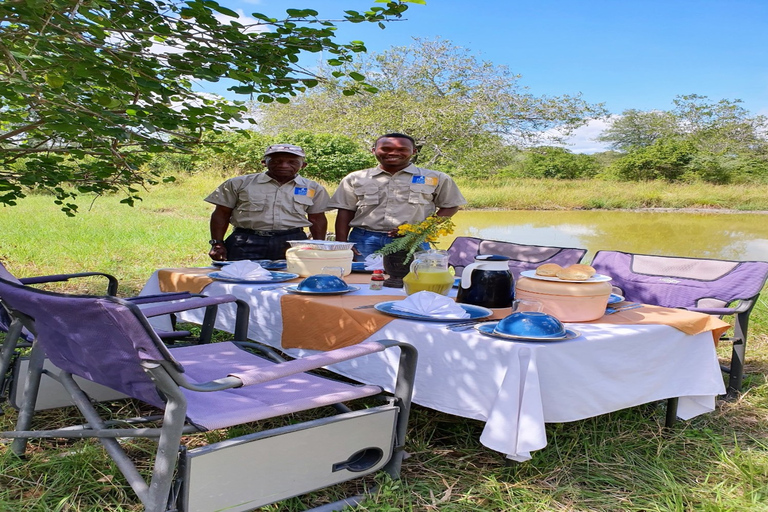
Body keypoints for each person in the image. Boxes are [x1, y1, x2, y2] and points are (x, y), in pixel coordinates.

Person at [329, 133, 466, 260]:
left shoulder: (436, 178)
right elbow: (345, 211)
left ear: (413, 152)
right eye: (386, 148)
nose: (394, 153)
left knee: (412, 279)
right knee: (361, 279)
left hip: (411, 240)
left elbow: (451, 206)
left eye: (402, 149)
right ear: (374, 150)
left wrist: (421, 229)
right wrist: (342, 244)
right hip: (364, 239)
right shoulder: (355, 178)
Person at [206, 144, 329, 261]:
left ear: (303, 165)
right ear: (264, 163)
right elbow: (221, 214)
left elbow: (317, 219)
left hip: (293, 242)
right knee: (242, 278)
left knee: (293, 279)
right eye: (276, 161)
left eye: (292, 162)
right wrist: (217, 243)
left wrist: (319, 246)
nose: (284, 165)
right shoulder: (239, 184)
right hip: (246, 241)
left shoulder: (312, 188)